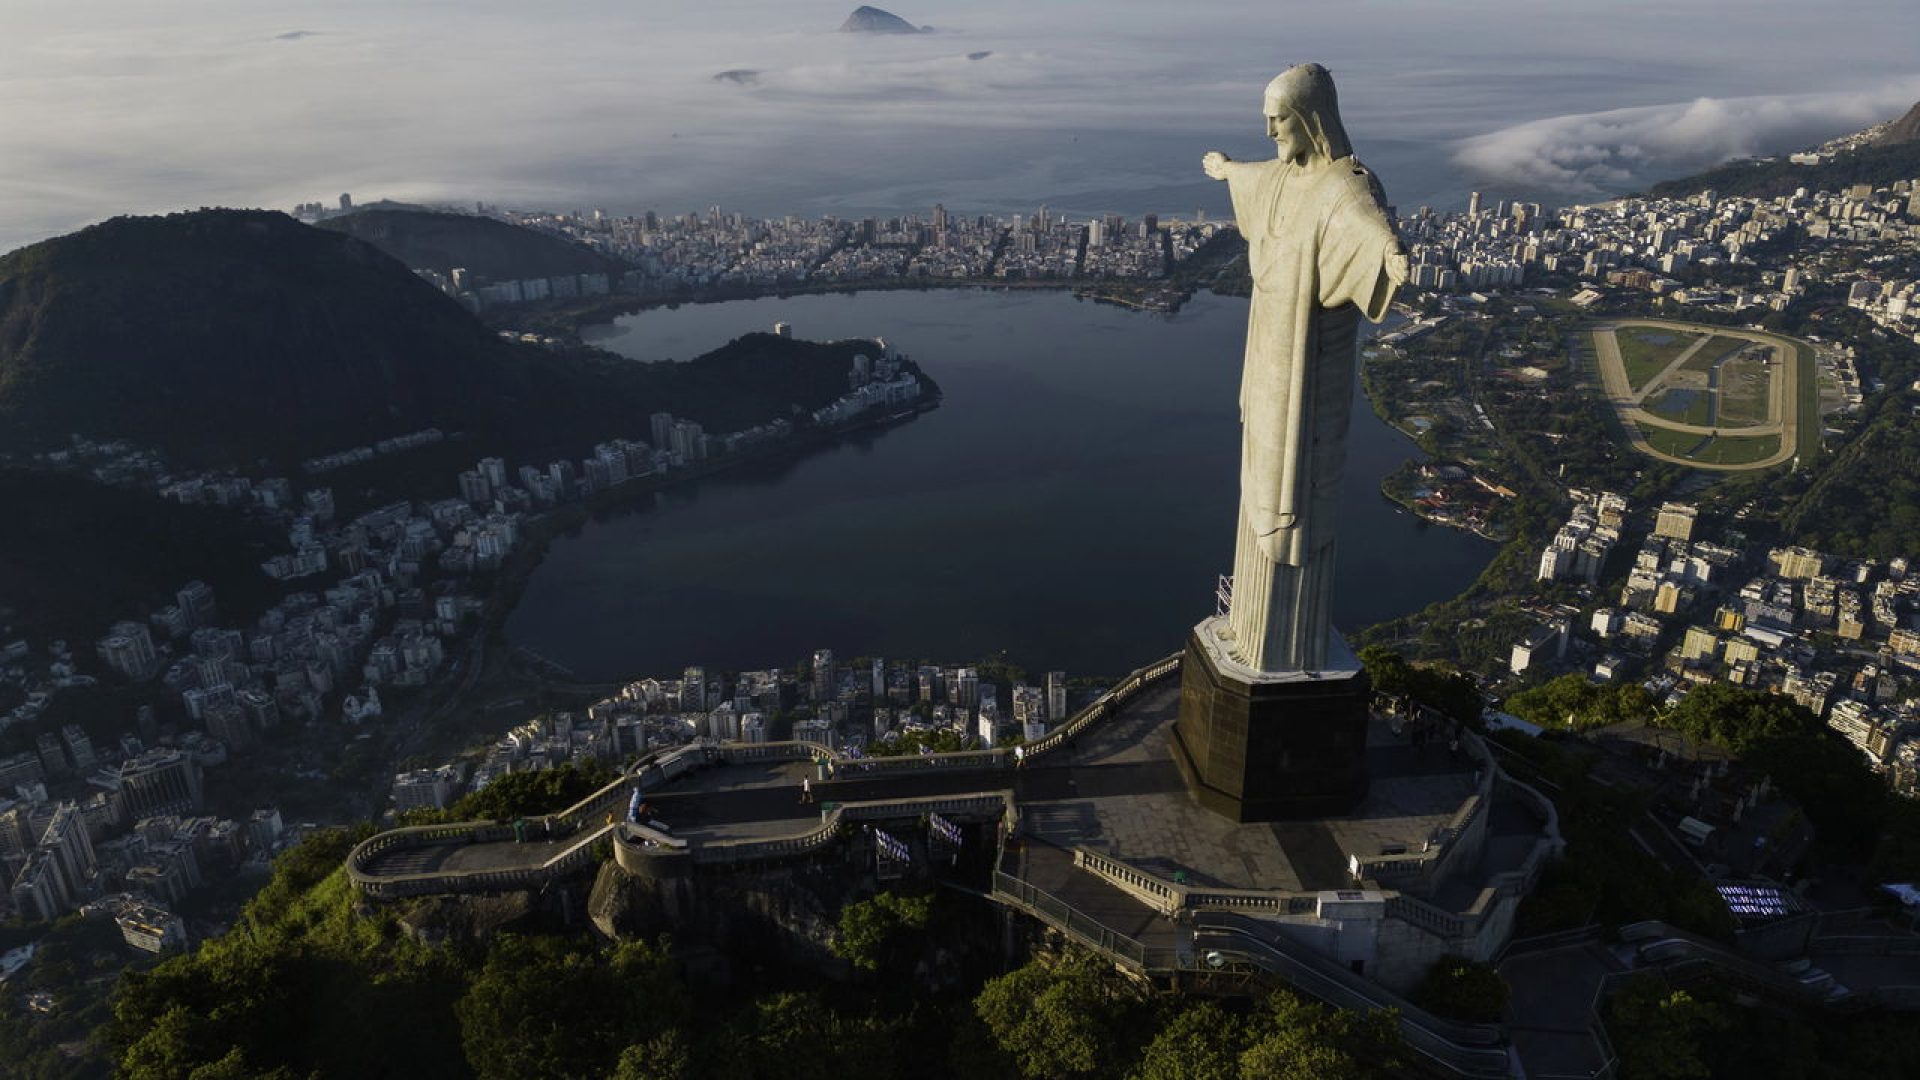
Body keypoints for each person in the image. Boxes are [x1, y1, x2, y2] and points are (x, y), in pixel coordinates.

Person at [1201, 63, 1408, 672]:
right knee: (1259, 479)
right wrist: (1225, 169)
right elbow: (1257, 178)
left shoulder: (1345, 189)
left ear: (1312, 121)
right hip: (1269, 354)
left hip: (1308, 372)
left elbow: (1366, 226)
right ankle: (1248, 628)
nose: (1269, 131)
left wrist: (1391, 255)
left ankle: (1286, 651)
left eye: (1278, 118)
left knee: (1299, 488)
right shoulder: (1284, 177)